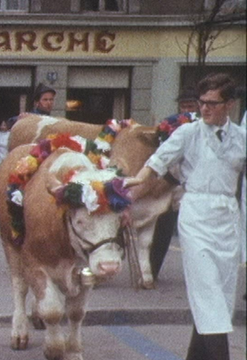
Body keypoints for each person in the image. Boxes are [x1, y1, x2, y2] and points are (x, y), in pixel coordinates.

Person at [125, 73, 246, 360]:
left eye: (212, 104)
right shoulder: (188, 133)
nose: (204, 109)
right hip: (196, 215)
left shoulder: (242, 138)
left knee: (221, 296)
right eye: (202, 103)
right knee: (208, 293)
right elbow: (157, 163)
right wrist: (134, 186)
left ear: (229, 104)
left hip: (227, 218)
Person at [149, 86, 202, 280]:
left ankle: (199, 273)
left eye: (190, 105)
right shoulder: (169, 125)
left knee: (195, 234)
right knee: (163, 227)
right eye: (183, 106)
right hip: (171, 183)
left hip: (194, 186)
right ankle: (153, 270)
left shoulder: (203, 125)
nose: (186, 109)